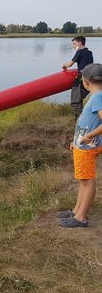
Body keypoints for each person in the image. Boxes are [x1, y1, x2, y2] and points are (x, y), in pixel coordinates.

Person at [58, 63, 102, 228]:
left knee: (88, 181)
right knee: (83, 180)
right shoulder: (97, 96)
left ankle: (81, 217)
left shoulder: (98, 97)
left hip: (87, 148)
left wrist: (88, 137)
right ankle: (76, 211)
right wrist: (75, 142)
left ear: (86, 81)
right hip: (82, 146)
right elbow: (88, 123)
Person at [62, 36, 94, 118]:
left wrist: (64, 66)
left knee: (75, 102)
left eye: (74, 43)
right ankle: (82, 118)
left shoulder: (80, 51)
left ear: (79, 43)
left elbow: (70, 64)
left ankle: (81, 121)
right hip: (91, 79)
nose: (73, 45)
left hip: (82, 79)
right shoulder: (89, 52)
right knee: (79, 100)